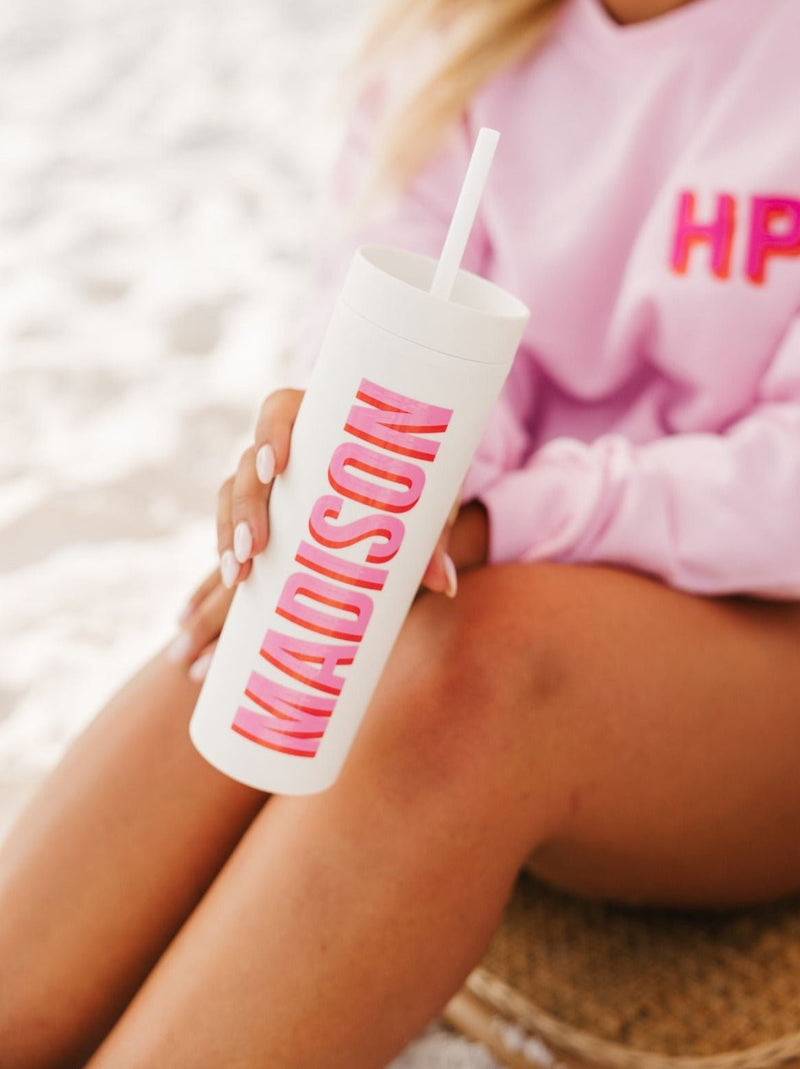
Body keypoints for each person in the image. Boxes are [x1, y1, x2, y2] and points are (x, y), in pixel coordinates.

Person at [3, 0, 800, 1064]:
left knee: (468, 663)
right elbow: (406, 361)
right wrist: (371, 471)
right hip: (521, 564)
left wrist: (506, 517)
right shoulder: (458, 42)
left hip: (760, 647)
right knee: (277, 611)